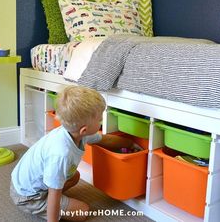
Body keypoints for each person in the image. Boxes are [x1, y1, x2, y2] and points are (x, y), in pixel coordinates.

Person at [10, 85, 136, 222]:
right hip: (28, 197)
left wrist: (130, 144)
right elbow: (54, 193)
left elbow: (106, 140)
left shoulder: (77, 133)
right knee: (82, 212)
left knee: (74, 176)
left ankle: (53, 200)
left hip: (31, 184)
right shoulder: (61, 154)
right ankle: (41, 206)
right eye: (99, 120)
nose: (101, 122)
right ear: (84, 130)